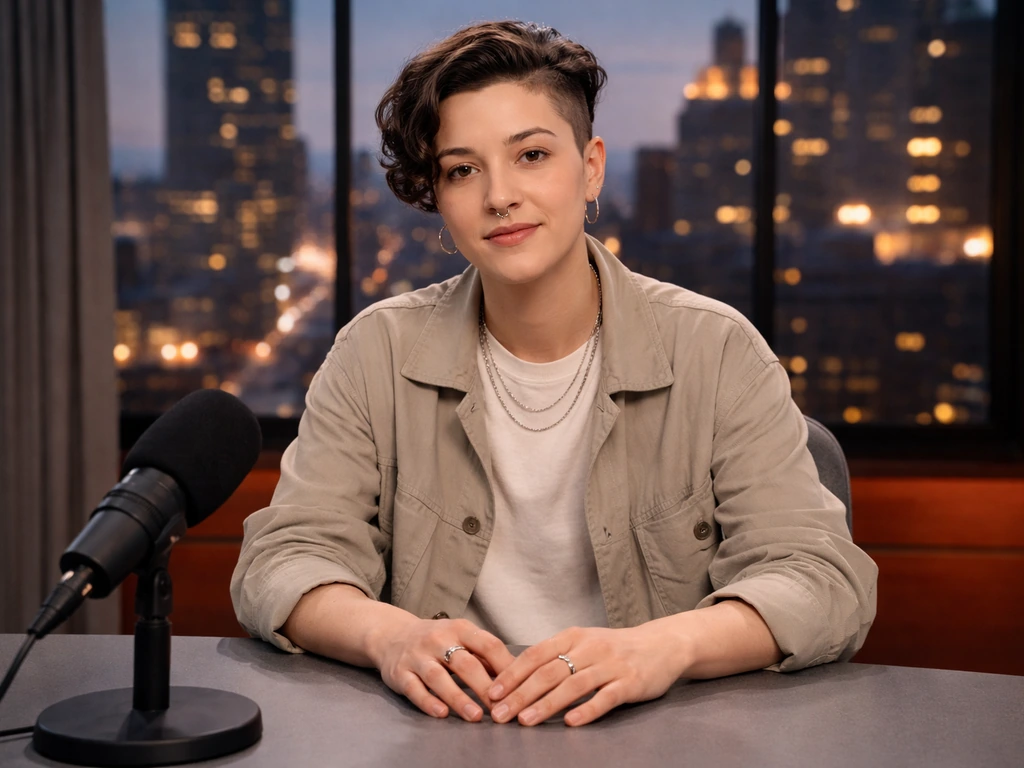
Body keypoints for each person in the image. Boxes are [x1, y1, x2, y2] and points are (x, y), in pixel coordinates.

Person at [230, 20, 878, 728]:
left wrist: (662, 648)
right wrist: (392, 635)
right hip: (443, 735)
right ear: (439, 199)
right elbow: (283, 560)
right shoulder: (374, 353)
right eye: (462, 169)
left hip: (664, 737)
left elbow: (824, 581)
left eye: (531, 154)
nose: (499, 195)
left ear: (592, 165)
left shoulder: (716, 351)